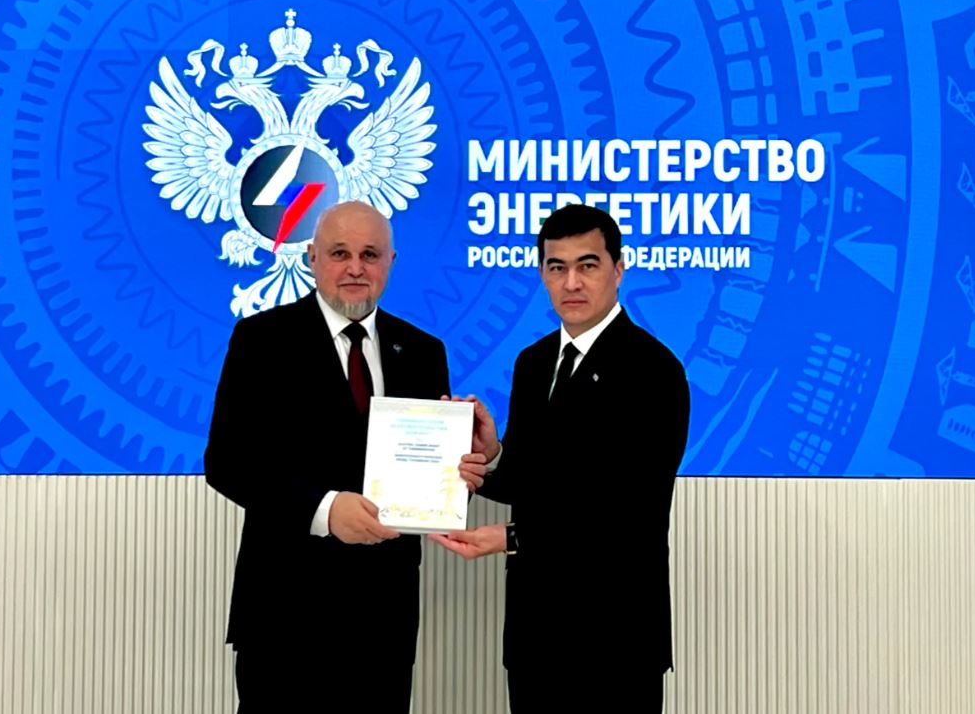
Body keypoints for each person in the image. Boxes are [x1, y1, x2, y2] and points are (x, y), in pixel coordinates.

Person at [430, 204, 690, 712]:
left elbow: (631, 509)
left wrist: (512, 538)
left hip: (617, 638)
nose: (571, 282)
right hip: (535, 635)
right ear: (543, 274)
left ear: (618, 269)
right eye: (557, 267)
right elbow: (532, 481)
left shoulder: (654, 371)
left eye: (587, 265)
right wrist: (490, 456)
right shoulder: (533, 363)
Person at [205, 200, 450, 714]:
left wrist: (462, 469)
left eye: (370, 254)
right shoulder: (261, 340)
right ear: (312, 258)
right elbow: (228, 460)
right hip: (284, 616)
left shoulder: (423, 351)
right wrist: (325, 509)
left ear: (390, 262)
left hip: (384, 619)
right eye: (340, 253)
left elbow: (431, 472)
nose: (356, 268)